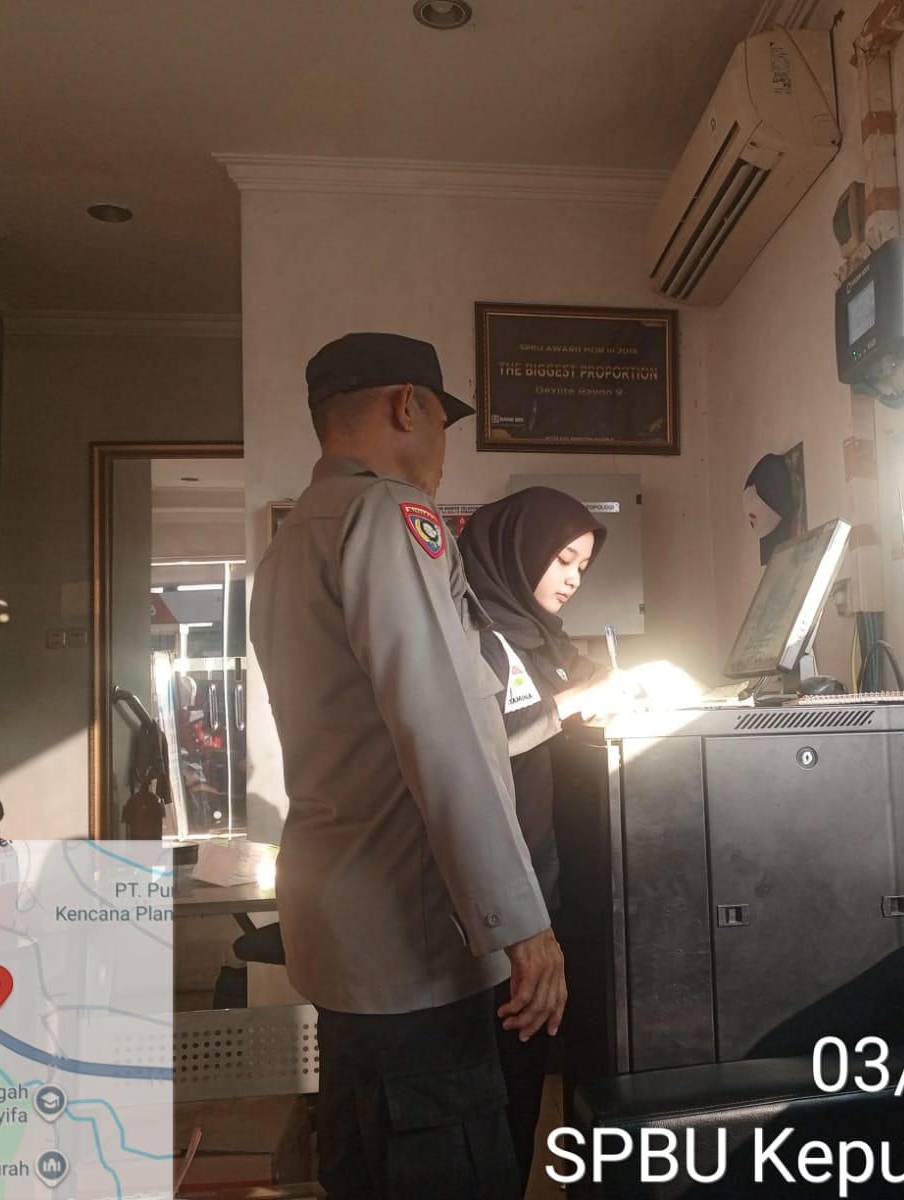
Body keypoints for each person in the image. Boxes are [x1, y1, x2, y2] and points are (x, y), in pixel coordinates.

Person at [249, 332, 566, 1200]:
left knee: (361, 1167)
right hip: (413, 947)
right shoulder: (389, 517)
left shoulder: (290, 542)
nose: (441, 448)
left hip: (340, 941)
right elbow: (445, 733)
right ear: (407, 406)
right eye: (441, 424)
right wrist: (522, 924)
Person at [458, 487, 635, 1189]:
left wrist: (622, 686)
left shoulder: (541, 638)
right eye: (562, 559)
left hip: (549, 894)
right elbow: (477, 743)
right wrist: (576, 701)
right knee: (495, 1111)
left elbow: (583, 684)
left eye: (582, 567)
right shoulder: (471, 634)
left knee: (528, 1099)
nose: (571, 578)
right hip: (494, 910)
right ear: (519, 550)